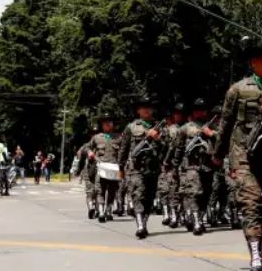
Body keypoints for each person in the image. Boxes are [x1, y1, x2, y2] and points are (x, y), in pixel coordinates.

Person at [213, 39, 262, 271]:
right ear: (253, 62)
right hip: (245, 157)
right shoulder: (238, 89)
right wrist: (218, 153)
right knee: (251, 203)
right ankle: (256, 256)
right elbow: (225, 124)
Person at [118, 97, 163, 238]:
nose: (146, 110)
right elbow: (124, 149)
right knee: (138, 194)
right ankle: (140, 225)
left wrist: (158, 139)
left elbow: (168, 146)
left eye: (149, 107)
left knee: (149, 198)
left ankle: (144, 222)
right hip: (136, 167)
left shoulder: (159, 127)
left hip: (153, 167)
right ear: (138, 110)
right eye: (143, 107)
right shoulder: (131, 127)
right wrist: (121, 168)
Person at [171, 98, 217, 235]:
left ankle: (199, 218)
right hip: (191, 165)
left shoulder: (212, 127)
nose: (200, 112)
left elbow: (222, 142)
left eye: (202, 110)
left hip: (208, 165)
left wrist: (211, 134)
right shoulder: (185, 128)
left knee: (207, 194)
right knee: (194, 193)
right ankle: (196, 221)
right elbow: (178, 149)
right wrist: (175, 167)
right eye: (197, 110)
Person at [87, 107, 122, 224]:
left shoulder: (118, 137)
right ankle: (101, 212)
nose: (107, 124)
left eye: (109, 122)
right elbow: (88, 147)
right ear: (102, 124)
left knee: (112, 190)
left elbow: (124, 151)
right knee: (100, 190)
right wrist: (90, 153)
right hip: (100, 167)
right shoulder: (97, 137)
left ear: (113, 123)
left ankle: (108, 210)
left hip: (114, 167)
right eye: (105, 122)